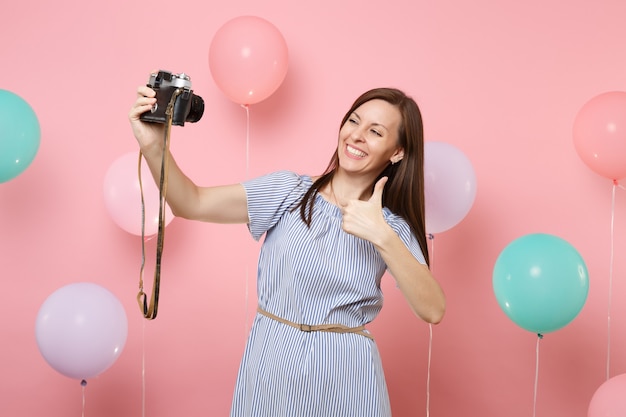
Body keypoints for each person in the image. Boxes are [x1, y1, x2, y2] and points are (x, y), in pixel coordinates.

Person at [129, 80, 446, 417]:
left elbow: (433, 309)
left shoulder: (391, 228)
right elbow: (190, 202)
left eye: (376, 132)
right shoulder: (289, 191)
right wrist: (154, 145)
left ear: (397, 152)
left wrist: (381, 235)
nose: (356, 135)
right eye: (354, 121)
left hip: (347, 377)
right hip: (273, 364)